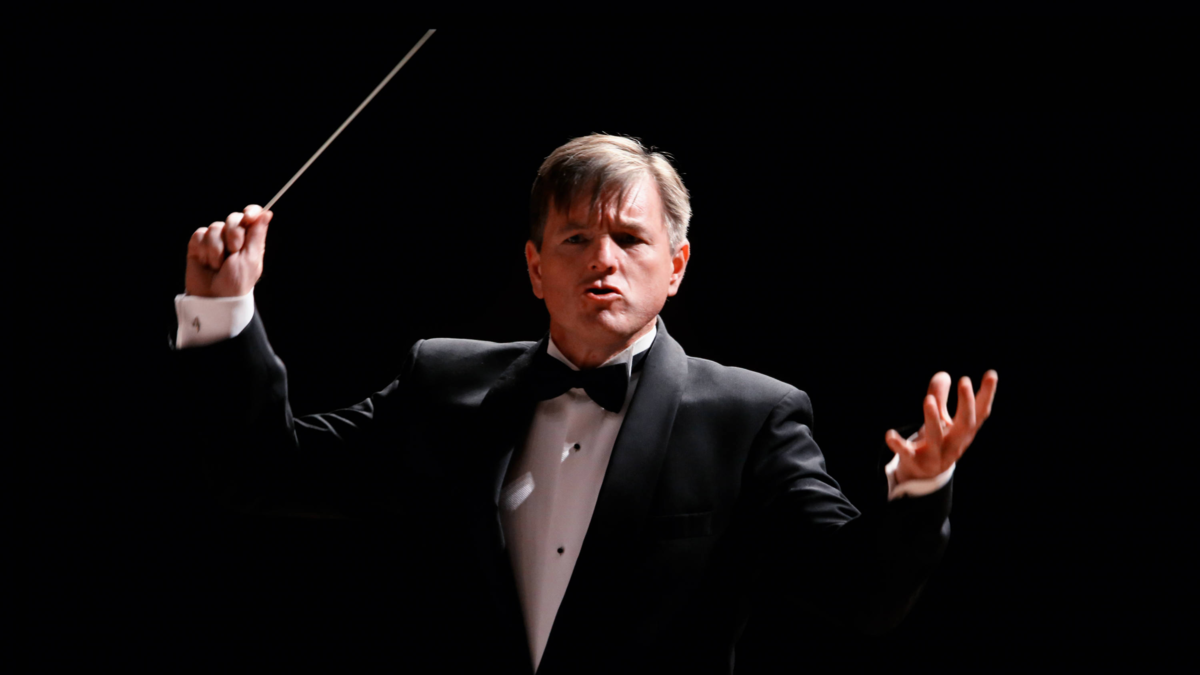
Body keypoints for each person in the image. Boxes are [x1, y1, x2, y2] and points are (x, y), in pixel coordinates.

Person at [171, 134, 997, 673]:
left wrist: (918, 487)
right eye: (576, 239)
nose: (603, 260)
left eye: (630, 239)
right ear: (536, 269)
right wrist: (223, 312)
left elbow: (862, 594)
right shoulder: (442, 384)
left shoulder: (750, 417)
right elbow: (259, 469)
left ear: (676, 266)